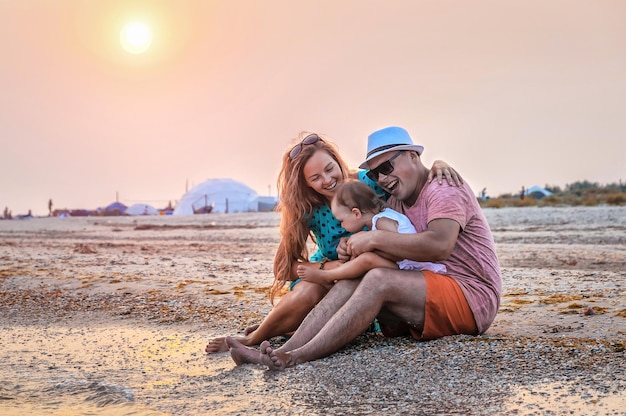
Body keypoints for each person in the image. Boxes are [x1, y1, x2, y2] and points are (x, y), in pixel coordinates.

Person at [225, 126, 502, 370]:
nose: (382, 179)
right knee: (354, 277)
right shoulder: (394, 198)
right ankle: (284, 351)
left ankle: (296, 357)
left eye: (387, 168)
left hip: (470, 296)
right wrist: (349, 251)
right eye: (375, 172)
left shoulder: (442, 188)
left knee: (377, 279)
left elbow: (439, 246)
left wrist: (371, 240)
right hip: (429, 285)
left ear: (413, 156)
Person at [296, 179, 445, 288]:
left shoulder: (381, 221)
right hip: (406, 265)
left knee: (366, 259)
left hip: (413, 267)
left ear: (356, 213)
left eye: (341, 220)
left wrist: (369, 251)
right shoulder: (380, 217)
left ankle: (328, 276)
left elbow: (398, 252)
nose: (341, 225)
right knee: (363, 258)